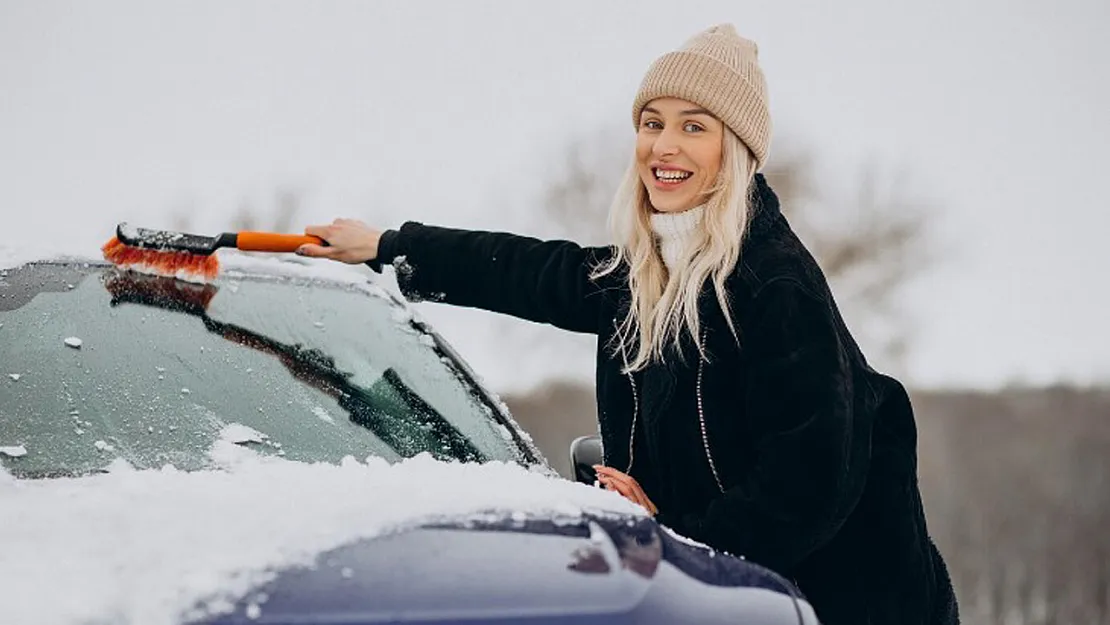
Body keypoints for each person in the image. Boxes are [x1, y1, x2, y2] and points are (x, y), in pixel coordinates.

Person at [297, 23, 959, 625]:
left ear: (736, 148)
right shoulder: (649, 274)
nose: (663, 146)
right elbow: (528, 271)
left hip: (849, 602)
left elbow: (807, 486)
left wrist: (671, 532)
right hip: (722, 593)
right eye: (651, 122)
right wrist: (388, 245)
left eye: (694, 126)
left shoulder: (776, 286)